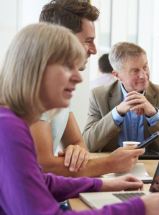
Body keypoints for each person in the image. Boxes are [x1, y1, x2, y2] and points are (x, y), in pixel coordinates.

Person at [0, 22, 159, 215]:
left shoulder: (11, 122)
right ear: (36, 69)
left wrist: (102, 184)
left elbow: (43, 181)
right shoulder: (9, 129)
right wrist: (139, 207)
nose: (78, 78)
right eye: (68, 67)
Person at [30, 0, 142, 177]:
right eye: (88, 41)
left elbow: (78, 142)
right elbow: (44, 165)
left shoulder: (58, 87)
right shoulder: (33, 87)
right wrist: (110, 163)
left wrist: (77, 152)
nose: (94, 50)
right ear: (62, 38)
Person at [83, 42, 159, 153]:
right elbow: (87, 144)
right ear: (117, 75)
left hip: (150, 165)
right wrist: (117, 113)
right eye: (135, 71)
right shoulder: (99, 96)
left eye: (145, 67)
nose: (143, 75)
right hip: (112, 166)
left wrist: (153, 114)